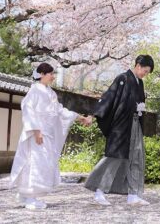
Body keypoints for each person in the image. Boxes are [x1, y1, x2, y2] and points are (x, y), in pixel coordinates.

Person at [10, 62, 93, 210]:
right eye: (50, 74)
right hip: (37, 133)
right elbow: (28, 109)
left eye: (53, 74)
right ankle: (30, 197)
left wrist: (79, 117)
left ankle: (25, 194)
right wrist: (36, 131)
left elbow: (60, 111)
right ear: (42, 74)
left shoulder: (51, 93)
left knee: (43, 163)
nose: (53, 77)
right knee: (35, 163)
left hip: (47, 134)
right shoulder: (35, 91)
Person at [85, 55, 154, 206]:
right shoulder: (122, 78)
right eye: (145, 70)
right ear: (138, 65)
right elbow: (108, 97)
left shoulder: (139, 83)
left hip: (135, 125)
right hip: (121, 127)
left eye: (147, 72)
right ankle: (99, 192)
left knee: (135, 158)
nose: (145, 74)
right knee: (113, 157)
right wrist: (93, 114)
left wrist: (140, 108)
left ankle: (133, 195)